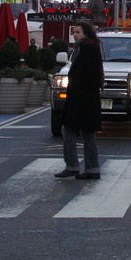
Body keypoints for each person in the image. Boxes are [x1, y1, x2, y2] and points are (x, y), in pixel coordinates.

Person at [56, 23, 104, 180]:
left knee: (70, 130)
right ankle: (91, 168)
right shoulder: (86, 47)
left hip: (82, 98)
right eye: (74, 32)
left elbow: (90, 76)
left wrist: (79, 94)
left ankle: (73, 166)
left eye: (77, 32)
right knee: (86, 133)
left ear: (86, 33)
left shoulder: (88, 49)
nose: (75, 35)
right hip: (84, 98)